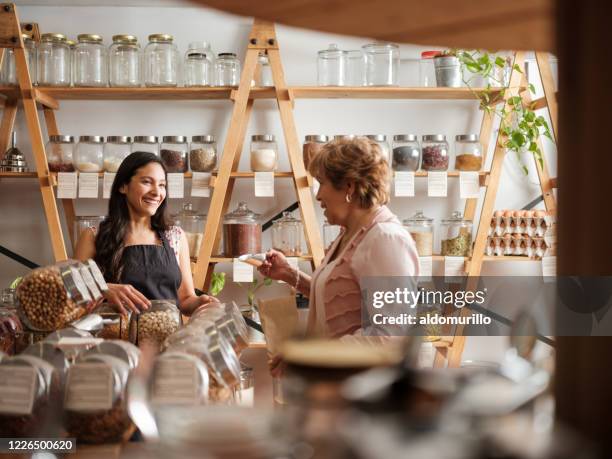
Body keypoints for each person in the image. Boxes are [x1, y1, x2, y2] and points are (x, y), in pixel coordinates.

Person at [259, 137, 420, 342]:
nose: (318, 196)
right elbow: (341, 300)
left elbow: (392, 336)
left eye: (322, 183)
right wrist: (290, 274)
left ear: (349, 187)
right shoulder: (350, 233)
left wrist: (310, 354)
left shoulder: (385, 239)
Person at [75, 151, 218, 316]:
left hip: (167, 339)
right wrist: (102, 288)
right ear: (123, 186)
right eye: (147, 182)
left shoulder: (175, 236)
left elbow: (185, 299)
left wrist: (201, 302)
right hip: (114, 338)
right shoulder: (93, 236)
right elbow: (74, 297)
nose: (157, 192)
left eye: (162, 185)